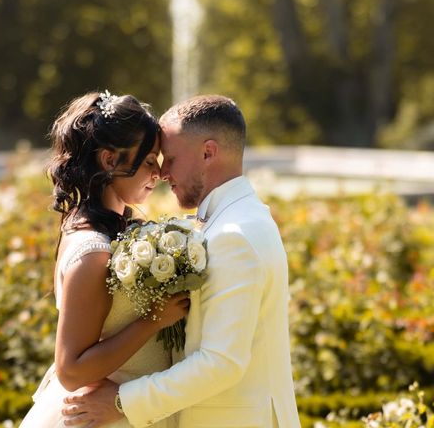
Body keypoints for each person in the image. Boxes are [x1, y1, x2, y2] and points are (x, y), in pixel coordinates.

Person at [63, 95, 301, 428]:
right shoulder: (240, 219)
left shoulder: (233, 235)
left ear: (208, 152)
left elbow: (221, 362)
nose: (162, 172)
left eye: (170, 158)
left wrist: (120, 401)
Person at [19, 91, 189, 428]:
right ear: (110, 161)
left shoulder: (116, 230)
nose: (158, 174)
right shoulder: (92, 250)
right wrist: (154, 320)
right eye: (149, 161)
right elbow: (70, 370)